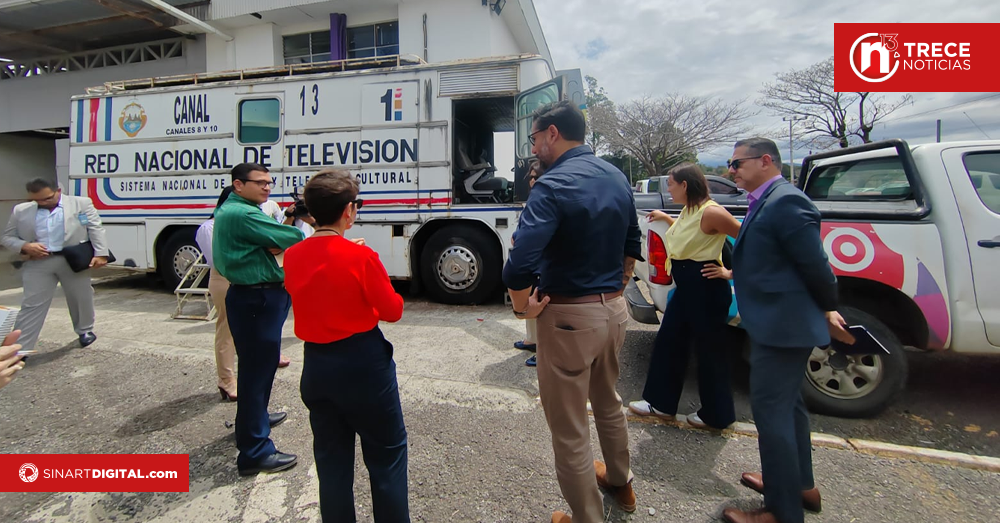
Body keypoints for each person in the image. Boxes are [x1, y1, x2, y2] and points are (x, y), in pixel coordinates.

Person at [503, 100, 642, 523]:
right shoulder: (615, 174)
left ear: (551, 134)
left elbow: (521, 259)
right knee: (608, 403)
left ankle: (586, 518)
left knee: (568, 430)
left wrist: (520, 303)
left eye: (534, 138)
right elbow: (632, 240)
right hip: (614, 312)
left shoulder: (552, 184)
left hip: (568, 318)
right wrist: (617, 285)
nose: (533, 147)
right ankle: (622, 483)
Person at [721, 138, 854, 523]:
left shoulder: (786, 201)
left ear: (765, 161)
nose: (732, 170)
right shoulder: (768, 199)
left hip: (782, 327)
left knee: (772, 415)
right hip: (775, 322)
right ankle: (799, 486)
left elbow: (816, 265)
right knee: (790, 409)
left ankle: (781, 511)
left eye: (737, 163)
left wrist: (828, 307)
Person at [284, 169, 409, 522]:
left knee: (332, 463)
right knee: (387, 457)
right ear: (349, 211)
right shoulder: (361, 257)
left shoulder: (293, 256)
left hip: (318, 365)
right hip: (363, 363)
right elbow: (392, 310)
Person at [628, 163, 742, 430]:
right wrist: (664, 218)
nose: (668, 189)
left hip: (706, 288)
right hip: (686, 287)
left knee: (710, 353)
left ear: (685, 185)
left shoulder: (712, 212)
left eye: (670, 183)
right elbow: (684, 230)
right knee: (670, 342)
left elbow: (750, 239)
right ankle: (661, 404)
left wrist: (730, 273)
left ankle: (717, 416)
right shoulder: (689, 210)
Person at [213, 163, 305, 475]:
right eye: (260, 183)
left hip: (255, 296)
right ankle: (254, 451)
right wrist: (303, 220)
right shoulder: (243, 213)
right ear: (238, 185)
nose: (267, 187)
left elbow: (274, 241)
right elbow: (290, 237)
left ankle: (256, 419)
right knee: (255, 374)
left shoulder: (237, 209)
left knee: (259, 370)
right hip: (257, 298)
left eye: (269, 182)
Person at [1, 178, 109, 352]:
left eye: (46, 198)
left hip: (72, 259)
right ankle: (21, 348)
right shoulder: (21, 210)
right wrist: (25, 246)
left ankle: (85, 330)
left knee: (80, 297)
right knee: (32, 304)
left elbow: (95, 228)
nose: (41, 203)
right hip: (38, 262)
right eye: (35, 200)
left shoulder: (80, 203)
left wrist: (101, 254)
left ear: (58, 191)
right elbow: (7, 237)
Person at [515, 160, 545, 366]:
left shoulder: (545, 199)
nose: (532, 180)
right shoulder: (535, 197)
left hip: (540, 261)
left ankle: (543, 350)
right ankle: (532, 340)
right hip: (533, 261)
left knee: (539, 304)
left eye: (536, 177)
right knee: (531, 298)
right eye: (531, 177)